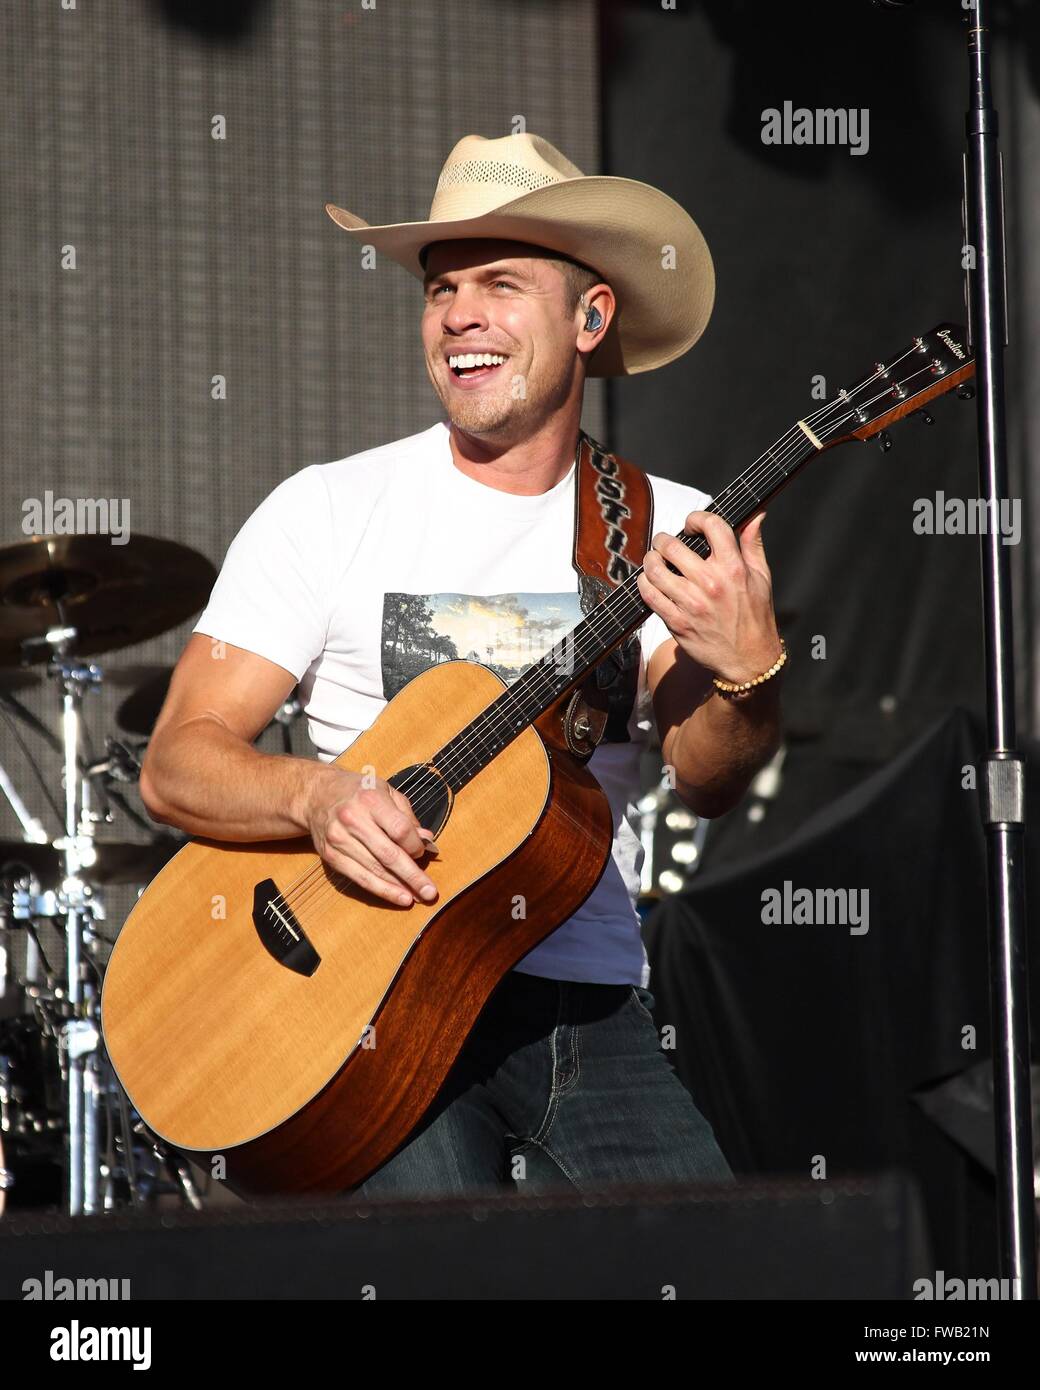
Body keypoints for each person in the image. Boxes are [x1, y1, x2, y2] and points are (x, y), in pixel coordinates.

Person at [139, 132, 784, 1198]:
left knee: (713, 1265)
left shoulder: (664, 526)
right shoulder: (325, 509)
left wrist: (748, 674)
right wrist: (317, 795)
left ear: (590, 318)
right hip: (360, 1005)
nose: (457, 315)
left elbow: (709, 779)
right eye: (441, 289)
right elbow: (177, 763)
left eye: (498, 283)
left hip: (585, 1005)